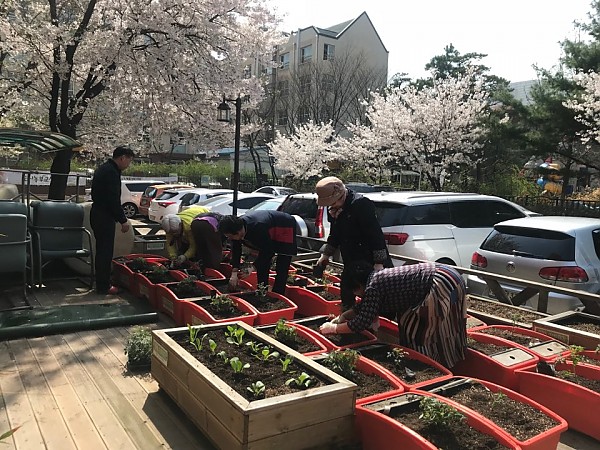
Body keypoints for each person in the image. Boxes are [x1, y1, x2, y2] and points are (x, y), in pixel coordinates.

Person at [319, 261, 468, 369]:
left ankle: (431, 366)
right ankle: (444, 362)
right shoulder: (375, 278)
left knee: (421, 329)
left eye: (354, 291)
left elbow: (362, 322)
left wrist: (333, 328)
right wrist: (345, 315)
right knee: (444, 325)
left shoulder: (373, 286)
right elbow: (366, 306)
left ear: (358, 284)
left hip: (440, 283)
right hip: (449, 276)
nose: (356, 295)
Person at [313, 176, 392, 310]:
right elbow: (335, 233)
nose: (331, 206)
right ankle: (346, 319)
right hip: (350, 258)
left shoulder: (361, 204)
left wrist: (379, 262)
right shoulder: (333, 209)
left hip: (368, 258)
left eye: (332, 203)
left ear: (340, 195)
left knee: (374, 294)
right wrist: (325, 255)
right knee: (347, 291)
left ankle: (374, 324)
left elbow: (375, 234)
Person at [90, 146, 134, 295]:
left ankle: (102, 283)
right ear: (122, 158)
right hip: (104, 216)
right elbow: (113, 199)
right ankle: (103, 286)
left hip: (98, 213)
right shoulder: (111, 172)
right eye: (129, 160)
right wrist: (123, 220)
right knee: (105, 252)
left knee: (102, 250)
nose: (129, 164)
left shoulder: (105, 169)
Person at [218, 210, 297, 295]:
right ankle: (262, 291)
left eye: (230, 236)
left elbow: (268, 251)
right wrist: (234, 272)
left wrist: (252, 268)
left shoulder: (258, 227)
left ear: (238, 232)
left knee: (282, 265)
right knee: (262, 263)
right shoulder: (237, 227)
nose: (230, 239)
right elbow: (236, 249)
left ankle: (278, 294)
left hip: (284, 225)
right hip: (268, 226)